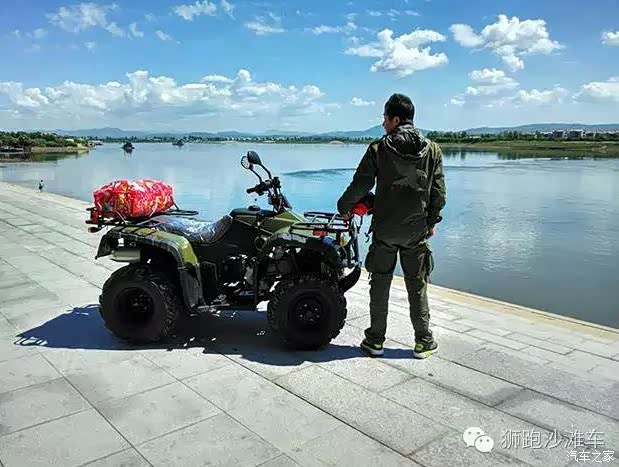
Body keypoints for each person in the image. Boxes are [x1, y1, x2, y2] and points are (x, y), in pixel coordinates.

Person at [337, 93, 447, 358]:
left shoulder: (379, 149)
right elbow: (439, 193)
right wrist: (431, 221)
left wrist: (344, 207)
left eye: (385, 118)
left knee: (380, 284)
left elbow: (361, 184)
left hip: (385, 230)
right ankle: (423, 341)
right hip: (416, 232)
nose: (383, 123)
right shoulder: (432, 150)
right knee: (417, 285)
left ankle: (375, 341)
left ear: (396, 120)